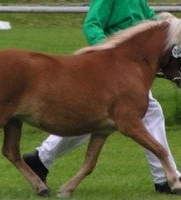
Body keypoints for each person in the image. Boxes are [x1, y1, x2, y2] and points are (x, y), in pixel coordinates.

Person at [23, 0, 181, 194]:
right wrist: (109, 52)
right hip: (112, 70)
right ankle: (166, 177)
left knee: (95, 120)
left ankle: (40, 159)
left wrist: (171, 26)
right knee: (142, 113)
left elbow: (150, 21)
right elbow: (92, 24)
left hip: (131, 71)